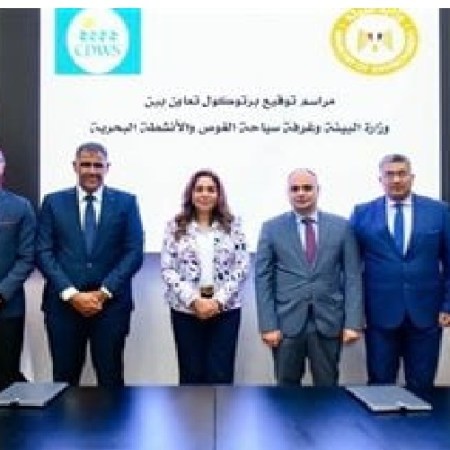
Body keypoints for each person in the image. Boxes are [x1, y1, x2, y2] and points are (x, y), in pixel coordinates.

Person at [36, 142, 144, 387]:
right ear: (75, 166)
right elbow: (43, 251)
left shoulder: (126, 202)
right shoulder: (53, 202)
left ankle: (113, 417)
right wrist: (71, 294)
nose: (92, 171)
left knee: (110, 378)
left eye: (98, 165)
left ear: (107, 167)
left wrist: (103, 292)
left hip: (110, 306)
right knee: (64, 380)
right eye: (86, 164)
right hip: (63, 306)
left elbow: (134, 252)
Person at [350, 153, 450, 390]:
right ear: (380, 179)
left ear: (412, 177)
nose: (396, 179)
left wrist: (447, 304)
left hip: (426, 314)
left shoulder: (438, 211)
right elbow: (350, 268)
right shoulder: (362, 213)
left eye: (401, 174)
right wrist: (355, 313)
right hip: (379, 315)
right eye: (389, 174)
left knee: (423, 386)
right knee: (380, 385)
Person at [255, 168, 363, 386]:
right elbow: (263, 278)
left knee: (327, 387)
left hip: (328, 320)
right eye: (295, 189)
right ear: (288, 193)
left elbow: (352, 276)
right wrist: (268, 325)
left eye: (307, 188)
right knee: (286, 389)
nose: (301, 193)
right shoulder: (271, 228)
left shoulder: (342, 227)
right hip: (286, 323)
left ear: (318, 190)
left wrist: (353, 322)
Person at [161, 169, 250, 384]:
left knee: (220, 373)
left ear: (218, 194)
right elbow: (168, 268)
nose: (204, 194)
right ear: (191, 194)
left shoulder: (233, 225)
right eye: (199, 189)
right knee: (191, 373)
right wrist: (194, 300)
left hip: (225, 310)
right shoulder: (175, 226)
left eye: (211, 189)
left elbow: (242, 266)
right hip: (186, 310)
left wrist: (218, 301)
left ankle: (222, 409)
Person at [0, 148, 36, 389]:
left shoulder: (20, 206)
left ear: (2, 167)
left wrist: (2, 293)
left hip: (7, 307)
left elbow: (27, 257)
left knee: (7, 380)